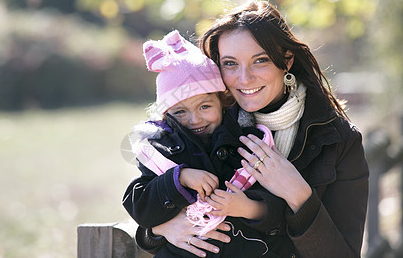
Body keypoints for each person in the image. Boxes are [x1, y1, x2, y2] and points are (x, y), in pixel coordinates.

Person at [135, 0, 369, 258]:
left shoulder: (338, 140)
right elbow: (148, 199)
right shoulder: (205, 123)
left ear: (287, 60)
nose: (244, 78)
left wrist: (298, 193)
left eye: (260, 60)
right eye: (231, 63)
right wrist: (160, 230)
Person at [122, 30, 287, 257]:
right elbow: (141, 208)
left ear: (223, 102)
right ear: (165, 114)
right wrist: (178, 178)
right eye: (180, 111)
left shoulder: (248, 144)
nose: (194, 119)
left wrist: (248, 207)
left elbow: (279, 207)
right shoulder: (163, 152)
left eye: (204, 107)